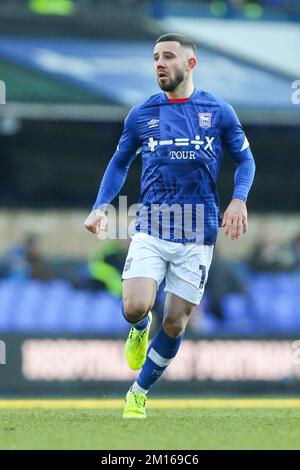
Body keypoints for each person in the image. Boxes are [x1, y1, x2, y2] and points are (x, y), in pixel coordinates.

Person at [84, 33, 256, 418]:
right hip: (153, 225)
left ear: (190, 64)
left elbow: (247, 161)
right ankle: (140, 327)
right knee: (134, 306)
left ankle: (138, 393)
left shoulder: (219, 111)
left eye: (168, 57)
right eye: (155, 57)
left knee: (176, 323)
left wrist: (239, 199)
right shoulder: (142, 113)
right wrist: (101, 207)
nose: (159, 63)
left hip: (199, 232)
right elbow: (119, 162)